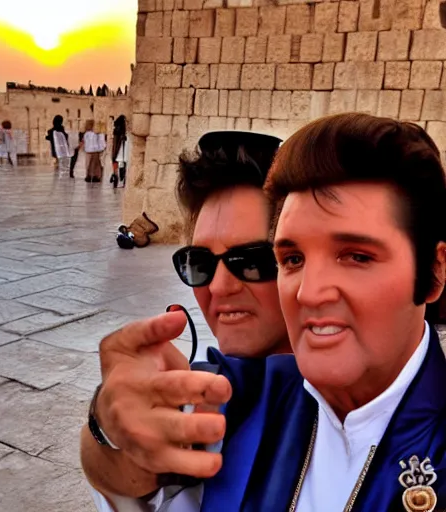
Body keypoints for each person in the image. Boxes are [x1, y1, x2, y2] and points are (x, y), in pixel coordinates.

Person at [82, 113, 446, 512]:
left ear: (433, 270)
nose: (310, 292)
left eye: (357, 256)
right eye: (291, 258)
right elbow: (131, 478)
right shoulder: (233, 397)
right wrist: (110, 423)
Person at [81, 130, 291, 510]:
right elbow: (128, 490)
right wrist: (109, 427)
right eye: (200, 263)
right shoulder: (199, 398)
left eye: (253, 262)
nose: (221, 287)